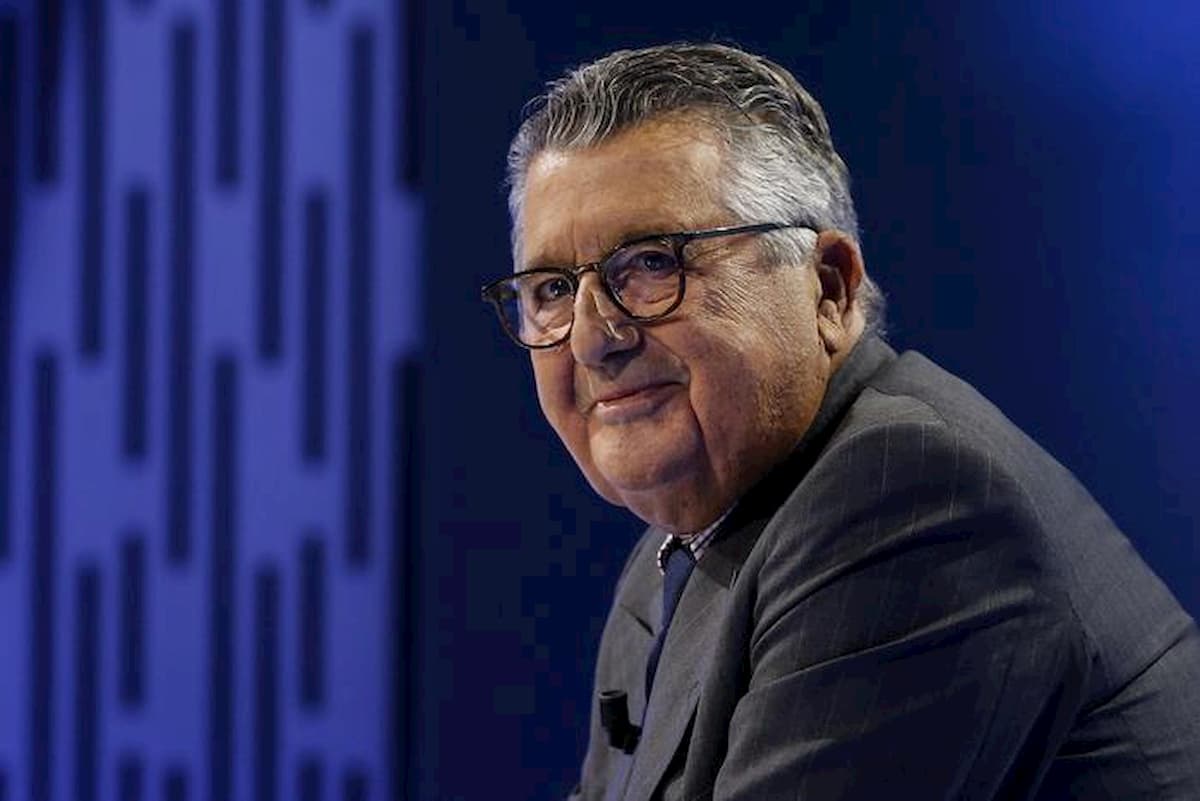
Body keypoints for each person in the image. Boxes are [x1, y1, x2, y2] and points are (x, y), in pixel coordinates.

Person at [481, 42, 1200, 800]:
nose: (592, 338)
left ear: (828, 287)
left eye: (652, 263)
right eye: (552, 289)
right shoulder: (675, 550)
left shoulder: (907, 503)